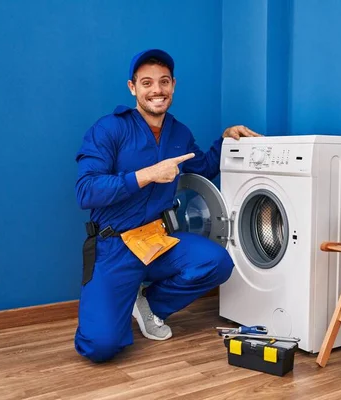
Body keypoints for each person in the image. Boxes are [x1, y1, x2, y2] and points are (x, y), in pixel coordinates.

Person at [73, 49, 261, 363]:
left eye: (163, 82)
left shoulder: (179, 132)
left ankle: (150, 305)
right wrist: (147, 175)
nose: (156, 89)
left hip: (157, 241)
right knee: (100, 348)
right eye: (147, 83)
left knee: (217, 262)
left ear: (173, 85)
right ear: (132, 88)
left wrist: (226, 139)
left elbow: (202, 166)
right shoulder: (109, 129)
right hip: (114, 246)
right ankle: (121, 297)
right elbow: (86, 191)